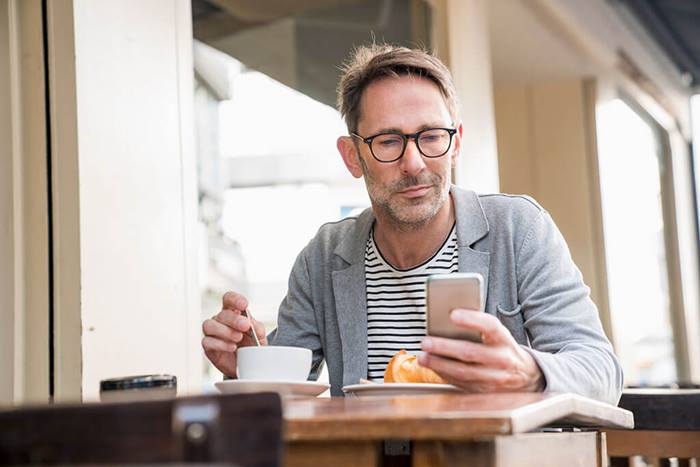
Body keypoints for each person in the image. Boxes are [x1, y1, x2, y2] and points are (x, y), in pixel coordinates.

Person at [201, 44, 623, 405]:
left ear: (455, 142)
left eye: (431, 136)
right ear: (352, 156)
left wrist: (528, 372)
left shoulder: (518, 229)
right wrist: (248, 365)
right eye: (388, 141)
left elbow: (601, 372)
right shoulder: (324, 257)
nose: (414, 163)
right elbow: (283, 395)